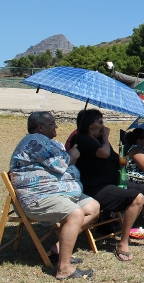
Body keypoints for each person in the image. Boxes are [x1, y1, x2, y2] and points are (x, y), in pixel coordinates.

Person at [10, 112, 98, 280]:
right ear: (40, 127)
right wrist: (72, 155)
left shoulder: (46, 142)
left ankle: (60, 247)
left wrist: (69, 154)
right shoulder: (35, 141)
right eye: (52, 123)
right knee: (75, 214)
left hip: (57, 193)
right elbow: (60, 164)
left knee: (93, 207)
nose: (56, 126)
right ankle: (64, 269)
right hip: (37, 197)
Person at [72, 109, 144, 260]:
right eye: (100, 122)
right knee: (137, 198)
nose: (103, 125)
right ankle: (123, 242)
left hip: (113, 182)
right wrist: (105, 137)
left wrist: (122, 161)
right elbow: (104, 153)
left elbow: (112, 156)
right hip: (96, 188)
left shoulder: (98, 140)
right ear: (90, 125)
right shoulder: (81, 139)